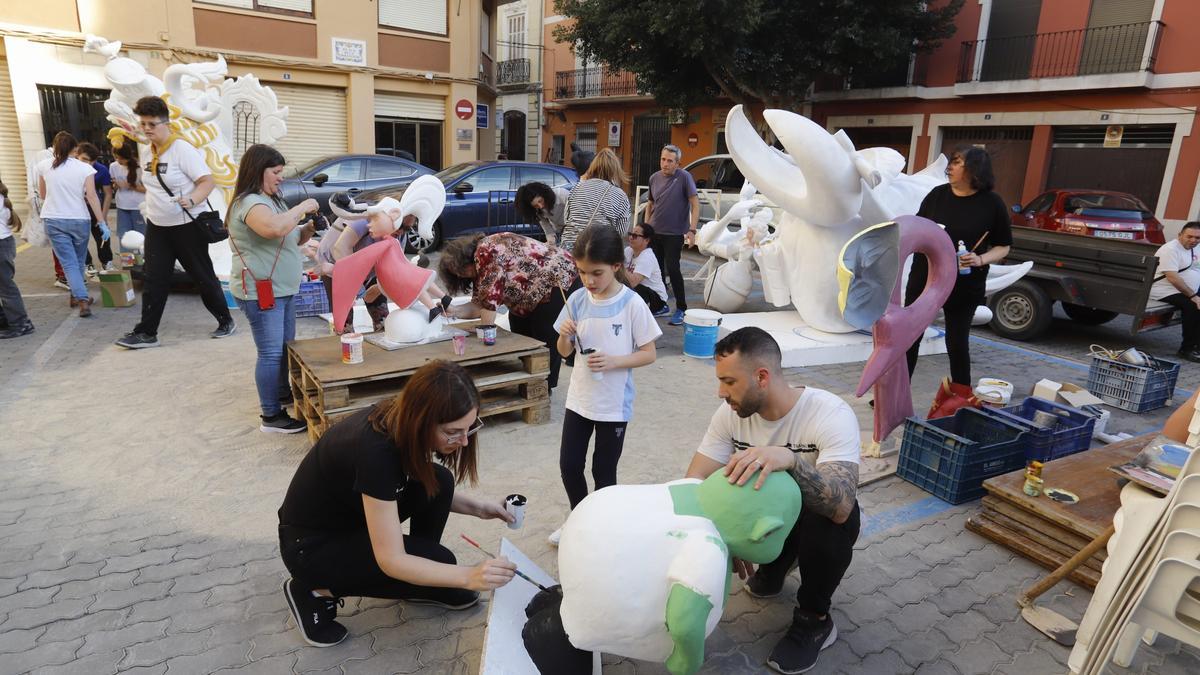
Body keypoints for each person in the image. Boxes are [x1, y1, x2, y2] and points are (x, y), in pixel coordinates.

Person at [277, 360, 518, 647]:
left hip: (351, 519)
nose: (464, 441)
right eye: (453, 431)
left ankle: (419, 577)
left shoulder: (400, 419)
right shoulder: (376, 452)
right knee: (443, 562)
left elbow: (415, 489)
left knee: (439, 480)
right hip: (310, 546)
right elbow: (390, 560)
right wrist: (468, 576)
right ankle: (312, 590)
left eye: (470, 428)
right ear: (423, 420)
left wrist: (481, 508)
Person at [684, 327, 860, 675]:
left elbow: (841, 506)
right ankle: (775, 566)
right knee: (730, 500)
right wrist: (719, 539)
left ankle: (814, 620)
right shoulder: (729, 416)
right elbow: (694, 482)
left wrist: (791, 460)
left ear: (761, 376)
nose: (721, 393)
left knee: (832, 523)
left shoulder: (829, 413)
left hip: (815, 518)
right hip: (769, 519)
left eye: (729, 381)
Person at [550, 225, 661, 544]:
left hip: (614, 404)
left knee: (603, 471)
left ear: (616, 266)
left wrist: (614, 361)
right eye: (582, 272)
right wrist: (564, 335)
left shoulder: (632, 304)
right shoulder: (576, 300)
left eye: (596, 272)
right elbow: (564, 352)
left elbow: (649, 353)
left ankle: (605, 527)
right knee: (569, 465)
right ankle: (579, 520)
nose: (589, 280)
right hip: (580, 400)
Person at [115, 95, 236, 349]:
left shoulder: (182, 150)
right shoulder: (148, 151)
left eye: (152, 124)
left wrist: (191, 200)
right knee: (154, 279)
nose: (147, 129)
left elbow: (207, 181)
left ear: (165, 123)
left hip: (187, 227)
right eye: (143, 124)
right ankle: (147, 332)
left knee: (202, 276)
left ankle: (225, 320)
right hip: (158, 227)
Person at [226, 144, 321, 434]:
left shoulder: (272, 200)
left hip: (283, 289)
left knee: (284, 348)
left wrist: (308, 229)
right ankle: (270, 416)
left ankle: (281, 395)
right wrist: (302, 208)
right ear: (259, 171)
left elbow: (289, 237)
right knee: (270, 352)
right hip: (261, 290)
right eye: (276, 172)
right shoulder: (250, 203)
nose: (281, 178)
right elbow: (272, 230)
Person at [905, 147, 1011, 386]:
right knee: (910, 338)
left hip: (964, 284)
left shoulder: (992, 204)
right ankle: (896, 395)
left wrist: (980, 259)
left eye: (958, 162)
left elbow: (1004, 246)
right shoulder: (937, 195)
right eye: (951, 162)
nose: (950, 167)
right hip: (925, 278)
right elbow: (917, 229)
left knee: (956, 342)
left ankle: (962, 395)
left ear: (975, 170)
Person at [439, 232, 578, 389]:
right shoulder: (482, 263)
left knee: (545, 335)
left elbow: (489, 306)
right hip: (530, 293)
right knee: (520, 330)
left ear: (464, 260)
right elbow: (479, 305)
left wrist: (485, 337)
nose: (460, 276)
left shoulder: (485, 252)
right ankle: (528, 381)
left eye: (460, 272)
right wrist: (454, 311)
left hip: (558, 277)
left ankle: (543, 386)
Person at [39, 131, 104, 317]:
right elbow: (92, 197)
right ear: (75, 148)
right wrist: (102, 222)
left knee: (69, 263)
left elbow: (43, 196)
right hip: (80, 219)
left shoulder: (44, 166)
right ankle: (82, 298)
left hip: (53, 219)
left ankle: (78, 297)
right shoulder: (85, 168)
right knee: (77, 261)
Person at [644, 144, 700, 327]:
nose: (665, 164)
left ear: (677, 163)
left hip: (675, 233)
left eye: (670, 161)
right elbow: (650, 205)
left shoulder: (684, 177)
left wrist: (692, 230)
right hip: (655, 232)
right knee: (655, 272)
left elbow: (695, 204)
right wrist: (645, 228)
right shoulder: (654, 178)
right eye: (663, 159)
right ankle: (660, 306)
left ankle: (682, 308)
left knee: (673, 270)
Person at [560, 149, 632, 251]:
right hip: (599, 249)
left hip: (570, 246)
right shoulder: (620, 195)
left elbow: (566, 218)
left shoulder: (577, 188)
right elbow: (621, 230)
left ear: (593, 166)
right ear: (615, 170)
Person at [1149, 221, 1200, 363]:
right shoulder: (1170, 249)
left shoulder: (1196, 248)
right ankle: (1186, 349)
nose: (1193, 240)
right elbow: (1173, 278)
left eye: (1197, 238)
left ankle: (1198, 346)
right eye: (1189, 236)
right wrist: (1194, 296)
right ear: (1180, 235)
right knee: (1192, 306)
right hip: (1164, 290)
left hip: (1187, 290)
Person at [0, 179, 33, 339]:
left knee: (6, 288)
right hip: (4, 243)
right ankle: (6, 319)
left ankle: (21, 324)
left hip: (1, 245)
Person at [76, 142, 114, 273]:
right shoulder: (70, 168)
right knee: (79, 239)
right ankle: (87, 264)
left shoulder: (101, 170)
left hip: (95, 209)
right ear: (77, 155)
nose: (88, 164)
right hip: (77, 211)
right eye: (84, 159)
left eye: (91, 161)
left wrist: (102, 217)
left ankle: (107, 262)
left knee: (103, 236)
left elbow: (108, 194)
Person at [624, 222, 669, 317]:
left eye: (635, 235)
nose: (631, 237)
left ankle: (661, 309)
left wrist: (618, 263)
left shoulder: (647, 256)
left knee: (632, 287)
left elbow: (633, 282)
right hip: (642, 292)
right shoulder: (628, 250)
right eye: (631, 234)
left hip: (656, 298)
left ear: (646, 240)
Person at [110, 140, 147, 247]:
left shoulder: (139, 167)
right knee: (124, 235)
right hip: (122, 205)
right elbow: (114, 185)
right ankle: (127, 261)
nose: (118, 160)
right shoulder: (113, 166)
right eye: (116, 157)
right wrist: (116, 185)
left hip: (138, 206)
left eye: (121, 158)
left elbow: (147, 189)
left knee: (141, 235)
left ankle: (142, 261)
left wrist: (129, 186)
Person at [515, 181, 570, 246]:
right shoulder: (537, 211)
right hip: (561, 231)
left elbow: (577, 213)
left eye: (540, 201)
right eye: (536, 206)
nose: (541, 206)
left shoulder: (562, 194)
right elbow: (548, 230)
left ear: (544, 194)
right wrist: (550, 243)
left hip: (577, 226)